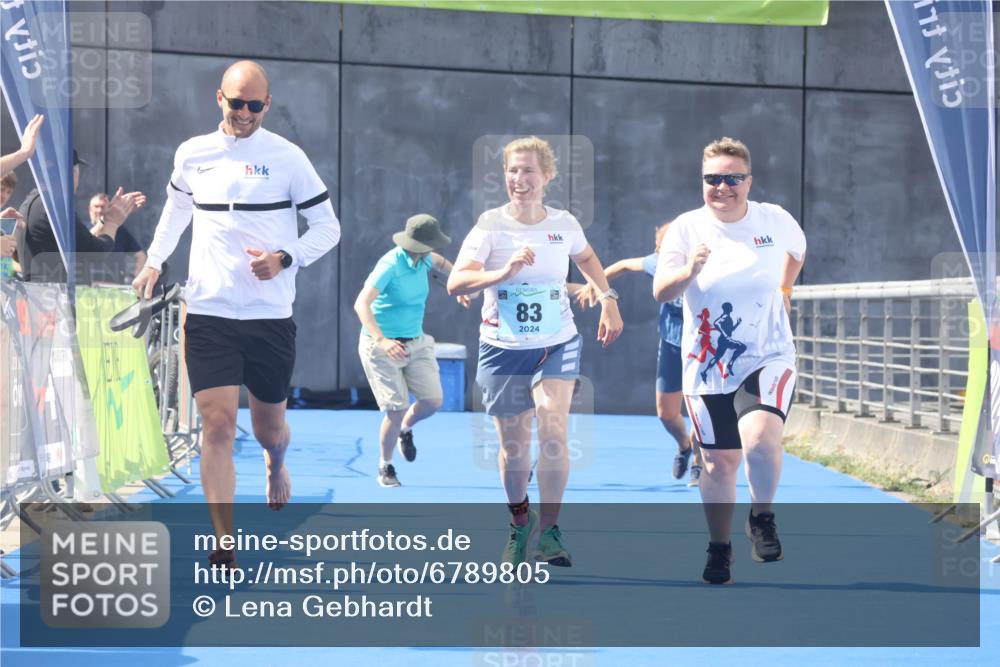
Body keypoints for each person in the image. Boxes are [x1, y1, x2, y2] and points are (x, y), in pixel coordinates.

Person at [133, 60, 341, 567]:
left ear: (267, 104)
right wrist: (155, 261)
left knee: (269, 430)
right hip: (209, 311)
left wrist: (285, 257)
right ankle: (224, 539)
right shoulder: (193, 153)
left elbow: (328, 227)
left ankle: (275, 462)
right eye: (236, 103)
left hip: (270, 316)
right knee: (218, 425)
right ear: (219, 99)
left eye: (254, 105)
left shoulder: (287, 157)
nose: (244, 113)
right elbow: (177, 210)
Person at [447, 136, 623, 567]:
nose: (519, 178)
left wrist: (607, 298)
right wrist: (502, 272)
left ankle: (550, 532)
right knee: (514, 449)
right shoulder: (490, 225)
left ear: (547, 176)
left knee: (553, 430)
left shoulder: (564, 223)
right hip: (503, 349)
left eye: (528, 170)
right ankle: (519, 523)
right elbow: (456, 281)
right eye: (512, 170)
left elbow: (587, 258)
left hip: (556, 342)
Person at [654, 137, 805, 584]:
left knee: (759, 440)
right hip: (708, 366)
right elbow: (661, 291)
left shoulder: (774, 219)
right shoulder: (686, 228)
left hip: (767, 354)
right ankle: (720, 547)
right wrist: (690, 270)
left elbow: (797, 252)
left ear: (749, 181)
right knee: (719, 463)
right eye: (713, 179)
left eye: (733, 178)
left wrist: (784, 289)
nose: (722, 187)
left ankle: (762, 516)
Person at [577, 222, 703, 486]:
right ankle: (684, 445)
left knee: (701, 409)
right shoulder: (659, 263)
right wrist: (597, 287)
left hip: (703, 348)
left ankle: (699, 462)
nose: (658, 254)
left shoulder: (703, 266)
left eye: (663, 248)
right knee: (666, 413)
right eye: (657, 249)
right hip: (672, 344)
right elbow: (623, 265)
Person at [354, 214, 469, 487]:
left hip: (416, 342)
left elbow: (442, 263)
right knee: (395, 409)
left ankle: (404, 429)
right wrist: (382, 341)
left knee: (433, 401)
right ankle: (385, 466)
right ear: (417, 244)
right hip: (382, 346)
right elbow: (361, 304)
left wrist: (458, 285)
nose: (433, 248)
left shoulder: (425, 258)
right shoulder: (389, 266)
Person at [17, 150, 146, 283]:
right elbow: (95, 253)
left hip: (42, 290)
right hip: (53, 291)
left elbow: (82, 243)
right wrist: (112, 222)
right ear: (71, 174)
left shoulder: (33, 202)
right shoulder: (55, 208)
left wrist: (105, 219)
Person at [88, 192, 147, 281]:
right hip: (87, 282)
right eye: (96, 206)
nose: (99, 210)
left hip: (114, 282)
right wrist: (104, 221)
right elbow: (85, 243)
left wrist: (136, 278)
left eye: (103, 207)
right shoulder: (82, 229)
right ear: (89, 209)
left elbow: (141, 256)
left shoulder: (119, 231)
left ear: (109, 209)